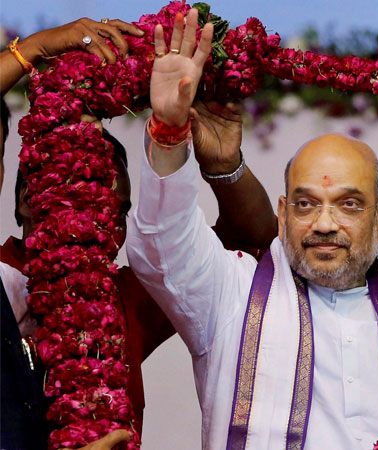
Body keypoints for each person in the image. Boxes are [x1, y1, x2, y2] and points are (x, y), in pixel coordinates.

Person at [127, 10, 378, 449]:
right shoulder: (232, 293)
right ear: (282, 215)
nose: (325, 224)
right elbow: (163, 245)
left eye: (348, 204)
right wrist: (169, 130)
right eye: (306, 204)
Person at [0, 19, 276, 450]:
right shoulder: (2, 278)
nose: (105, 221)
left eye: (120, 211)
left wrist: (224, 166)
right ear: (27, 199)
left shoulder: (122, 297)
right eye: (86, 191)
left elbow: (250, 242)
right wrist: (31, 49)